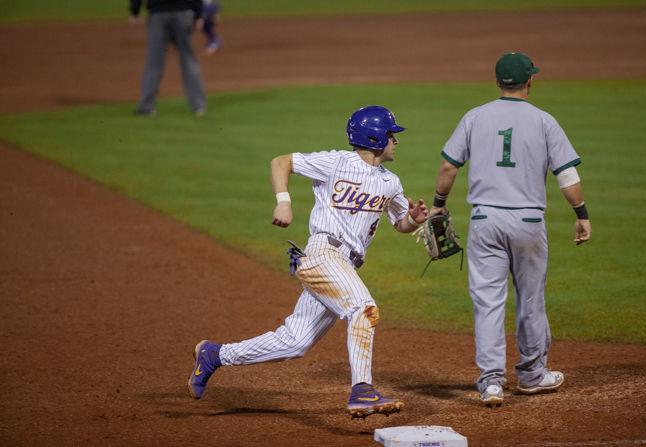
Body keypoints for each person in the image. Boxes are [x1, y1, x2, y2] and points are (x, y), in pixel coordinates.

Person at [188, 105, 428, 418]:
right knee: (363, 308)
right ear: (375, 137)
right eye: (392, 135)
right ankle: (363, 390)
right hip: (323, 254)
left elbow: (400, 224)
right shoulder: (336, 162)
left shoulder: (390, 182)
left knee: (295, 342)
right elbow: (281, 162)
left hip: (344, 265)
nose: (396, 141)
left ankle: (215, 355)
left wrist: (413, 218)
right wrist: (283, 203)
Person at [430, 52, 591, 406]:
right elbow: (567, 175)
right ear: (530, 81)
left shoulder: (475, 117)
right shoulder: (544, 121)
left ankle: (491, 382)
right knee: (530, 300)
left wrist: (439, 204)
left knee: (487, 302)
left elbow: (448, 167)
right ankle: (532, 375)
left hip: (485, 220)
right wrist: (581, 214)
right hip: (528, 221)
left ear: (498, 82)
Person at [129, 0, 207, 116]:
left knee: (154, 61)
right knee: (188, 60)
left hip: (158, 14)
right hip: (183, 12)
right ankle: (199, 106)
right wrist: (199, 13)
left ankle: (146, 107)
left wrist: (135, 11)